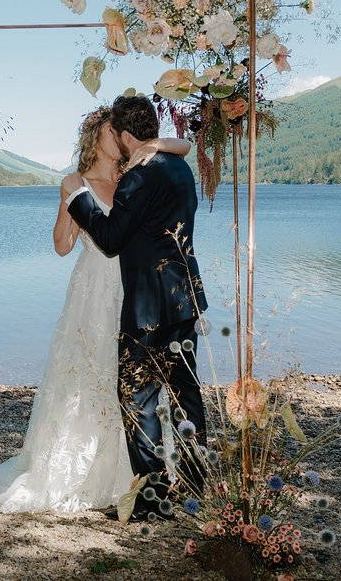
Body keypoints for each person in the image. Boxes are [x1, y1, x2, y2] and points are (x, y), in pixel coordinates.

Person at [0, 106, 191, 513]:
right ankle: (84, 471)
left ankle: (138, 474)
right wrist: (68, 200)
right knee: (91, 376)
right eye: (112, 131)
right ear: (98, 137)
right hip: (93, 291)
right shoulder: (79, 184)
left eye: (120, 131)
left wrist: (157, 142)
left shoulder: (136, 172)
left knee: (135, 385)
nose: (119, 137)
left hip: (136, 290)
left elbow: (183, 145)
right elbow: (61, 246)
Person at [63, 95, 209, 519]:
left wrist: (79, 198)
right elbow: (180, 147)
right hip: (184, 299)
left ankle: (152, 499)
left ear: (125, 135)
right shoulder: (180, 169)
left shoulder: (136, 179)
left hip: (147, 307)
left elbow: (110, 240)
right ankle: (196, 486)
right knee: (185, 395)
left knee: (137, 397)